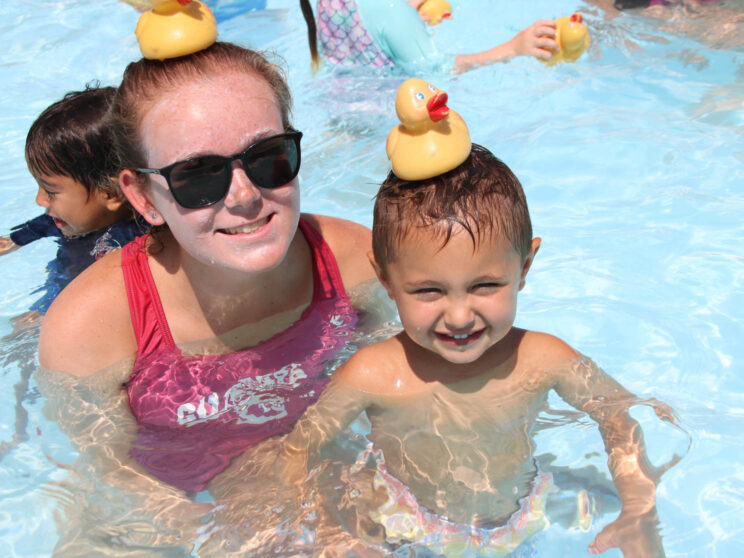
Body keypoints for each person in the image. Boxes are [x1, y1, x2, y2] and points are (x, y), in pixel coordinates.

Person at [36, 41, 376, 553]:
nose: (243, 195)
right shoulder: (90, 327)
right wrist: (232, 532)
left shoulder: (353, 263)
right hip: (166, 512)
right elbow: (112, 474)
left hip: (306, 468)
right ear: (142, 196)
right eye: (198, 175)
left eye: (268, 157)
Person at [276, 145, 673, 556]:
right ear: (386, 279)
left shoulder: (544, 359)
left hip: (522, 513)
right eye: (428, 290)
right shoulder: (370, 375)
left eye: (485, 286)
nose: (460, 316)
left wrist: (638, 508)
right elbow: (299, 449)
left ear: (524, 267)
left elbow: (617, 411)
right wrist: (323, 528)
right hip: (400, 518)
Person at [0, 86, 144, 314]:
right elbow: (32, 230)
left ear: (111, 193)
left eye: (51, 191)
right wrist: (11, 242)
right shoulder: (64, 219)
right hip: (61, 289)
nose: (40, 200)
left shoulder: (137, 240)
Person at [299, 0, 559, 74]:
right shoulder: (390, 10)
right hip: (387, 124)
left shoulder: (326, 3)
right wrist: (514, 47)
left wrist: (406, 15)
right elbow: (439, 69)